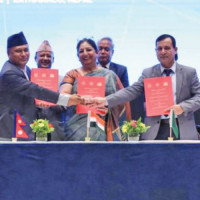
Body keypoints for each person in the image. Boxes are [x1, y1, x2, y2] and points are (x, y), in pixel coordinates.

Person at [88, 34, 200, 140]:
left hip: (183, 129)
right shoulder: (148, 73)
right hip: (154, 131)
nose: (163, 52)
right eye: (159, 49)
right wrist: (106, 100)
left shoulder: (189, 72)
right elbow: (130, 91)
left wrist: (182, 107)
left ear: (175, 50)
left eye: (167, 48)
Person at [0, 32, 82, 140]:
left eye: (26, 50)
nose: (24, 54)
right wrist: (66, 100)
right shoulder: (8, 73)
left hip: (28, 129)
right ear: (9, 53)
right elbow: (35, 90)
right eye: (18, 51)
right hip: (10, 131)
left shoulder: (27, 70)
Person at [60, 38, 130, 141]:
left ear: (96, 52)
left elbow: (122, 101)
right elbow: (62, 97)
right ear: (77, 56)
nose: (85, 53)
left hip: (103, 127)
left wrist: (108, 106)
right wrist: (79, 99)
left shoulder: (110, 75)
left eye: (88, 50)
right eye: (81, 51)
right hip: (76, 129)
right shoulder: (72, 74)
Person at [34, 40, 66, 140]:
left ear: (53, 59)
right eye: (42, 55)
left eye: (48, 56)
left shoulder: (62, 79)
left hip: (55, 128)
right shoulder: (28, 78)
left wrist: (52, 102)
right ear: (35, 58)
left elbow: (65, 105)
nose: (45, 58)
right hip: (32, 126)